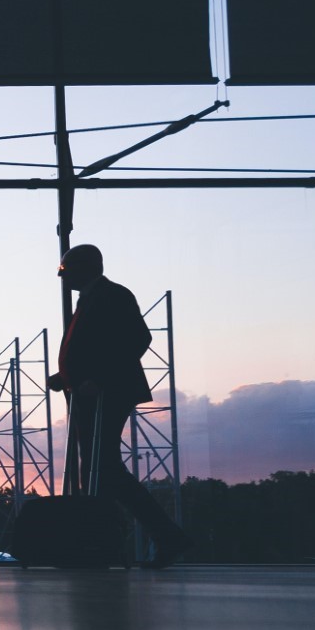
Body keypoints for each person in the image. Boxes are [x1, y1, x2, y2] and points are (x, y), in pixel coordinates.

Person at [49, 243, 189, 566]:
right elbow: (99, 345)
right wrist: (67, 376)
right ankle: (137, 536)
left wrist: (97, 378)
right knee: (102, 469)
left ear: (87, 268)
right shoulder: (90, 299)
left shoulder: (113, 295)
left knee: (102, 467)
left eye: (67, 272)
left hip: (107, 394)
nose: (64, 279)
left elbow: (138, 339)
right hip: (91, 394)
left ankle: (135, 538)